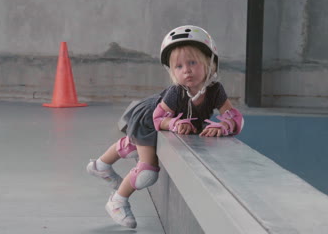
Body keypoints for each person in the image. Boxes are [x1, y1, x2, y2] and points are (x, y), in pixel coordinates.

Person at [86, 25, 244, 228]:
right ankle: (117, 201)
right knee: (147, 171)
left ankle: (100, 166)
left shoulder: (215, 90)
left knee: (134, 144)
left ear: (210, 63)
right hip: (149, 117)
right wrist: (175, 123)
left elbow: (234, 116)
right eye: (178, 66)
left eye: (193, 62)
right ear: (172, 71)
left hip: (156, 117)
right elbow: (158, 118)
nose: (186, 70)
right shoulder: (176, 92)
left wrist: (223, 126)